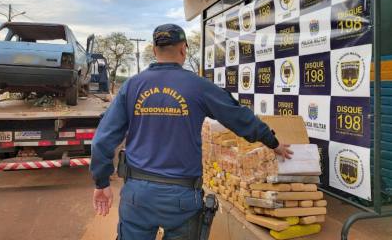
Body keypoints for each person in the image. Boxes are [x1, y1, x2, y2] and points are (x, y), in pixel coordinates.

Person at [90, 24, 293, 240]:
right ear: (183, 49)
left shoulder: (132, 86)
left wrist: (101, 182)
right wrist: (272, 142)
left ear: (154, 51)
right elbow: (239, 117)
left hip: (138, 195)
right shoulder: (198, 86)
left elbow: (101, 141)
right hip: (182, 198)